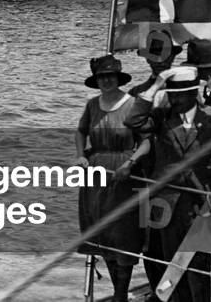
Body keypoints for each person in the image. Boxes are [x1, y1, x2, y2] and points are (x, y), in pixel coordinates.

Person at [125, 66, 211, 302]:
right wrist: (157, 84)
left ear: (192, 94)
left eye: (180, 95)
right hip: (167, 204)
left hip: (200, 203)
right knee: (171, 263)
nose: (174, 99)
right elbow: (133, 120)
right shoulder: (161, 118)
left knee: (200, 266)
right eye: (171, 94)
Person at [75, 54, 147, 302]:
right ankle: (118, 291)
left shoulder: (132, 104)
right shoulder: (92, 105)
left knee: (123, 231)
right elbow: (81, 131)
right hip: (95, 175)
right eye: (101, 77)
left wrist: (131, 163)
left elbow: (146, 141)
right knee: (102, 230)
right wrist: (80, 156)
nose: (106, 81)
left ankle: (120, 293)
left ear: (118, 78)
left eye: (110, 77)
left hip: (124, 173)